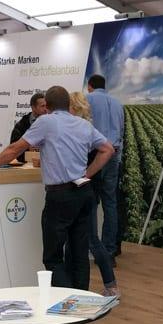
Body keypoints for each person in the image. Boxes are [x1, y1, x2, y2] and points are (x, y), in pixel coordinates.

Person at [0, 86, 113, 299]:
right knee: (79, 253)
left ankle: (67, 301)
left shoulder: (46, 122)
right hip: (84, 192)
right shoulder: (84, 125)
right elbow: (108, 149)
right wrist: (87, 173)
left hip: (60, 195)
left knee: (53, 257)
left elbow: (15, 149)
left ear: (47, 106)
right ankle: (80, 306)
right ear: (68, 104)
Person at [68, 91, 118, 297]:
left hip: (82, 189)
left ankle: (111, 286)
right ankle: (109, 285)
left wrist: (86, 174)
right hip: (88, 189)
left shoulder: (79, 129)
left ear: (73, 108)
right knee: (89, 238)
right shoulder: (87, 128)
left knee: (90, 239)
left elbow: (107, 150)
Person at [85, 74, 125, 260]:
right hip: (114, 155)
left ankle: (92, 248)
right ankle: (109, 251)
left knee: (91, 202)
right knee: (110, 203)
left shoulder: (87, 100)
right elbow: (122, 131)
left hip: (95, 154)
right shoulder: (117, 103)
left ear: (90, 86)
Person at [10, 92, 45, 163]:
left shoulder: (51, 123)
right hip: (27, 166)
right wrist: (28, 148)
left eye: (46, 106)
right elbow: (14, 148)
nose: (45, 109)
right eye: (42, 106)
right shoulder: (21, 125)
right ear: (33, 107)